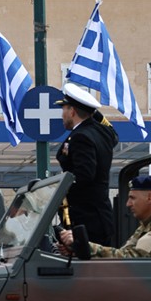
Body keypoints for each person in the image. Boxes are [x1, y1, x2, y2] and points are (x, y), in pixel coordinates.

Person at [53, 84, 119, 246]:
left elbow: (84, 175)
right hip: (99, 217)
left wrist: (57, 189)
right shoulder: (103, 132)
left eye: (64, 109)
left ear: (72, 111)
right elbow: (113, 134)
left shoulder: (80, 137)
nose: (62, 115)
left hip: (86, 220)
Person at [59, 175, 151, 258]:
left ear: (149, 198)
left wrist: (87, 246)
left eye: (133, 198)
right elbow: (124, 253)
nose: (128, 204)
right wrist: (78, 251)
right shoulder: (148, 224)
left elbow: (132, 259)